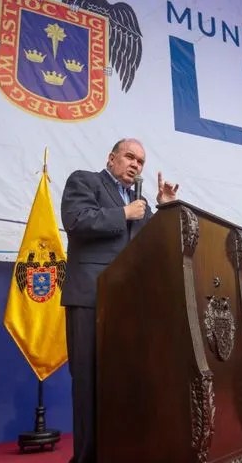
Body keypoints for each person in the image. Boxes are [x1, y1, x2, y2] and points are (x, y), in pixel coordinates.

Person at [60, 138, 179, 463]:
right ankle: (86, 458)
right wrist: (123, 212)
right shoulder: (85, 180)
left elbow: (155, 245)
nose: (135, 165)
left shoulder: (143, 204)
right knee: (88, 383)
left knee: (125, 382)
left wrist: (165, 208)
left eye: (140, 161)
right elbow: (76, 220)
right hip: (90, 297)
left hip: (130, 304)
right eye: (130, 157)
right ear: (112, 158)